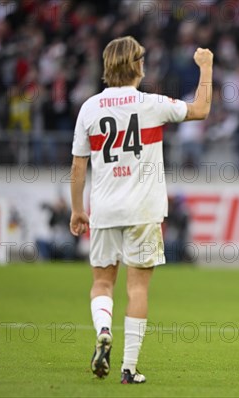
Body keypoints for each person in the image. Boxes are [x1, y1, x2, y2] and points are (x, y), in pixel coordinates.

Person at [69, 36, 213, 384]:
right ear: (137, 66)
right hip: (144, 211)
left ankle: (104, 330)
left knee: (102, 283)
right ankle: (128, 368)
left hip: (104, 209)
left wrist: (77, 210)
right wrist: (206, 68)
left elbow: (77, 167)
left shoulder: (90, 108)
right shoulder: (152, 104)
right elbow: (201, 109)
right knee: (138, 289)